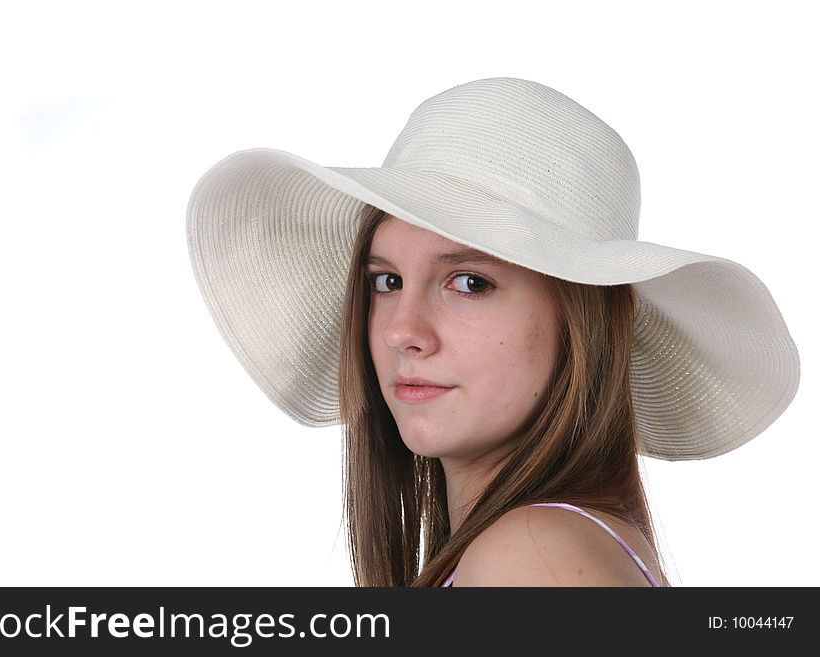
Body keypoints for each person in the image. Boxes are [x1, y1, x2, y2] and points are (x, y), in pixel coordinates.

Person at [185, 78, 800, 587]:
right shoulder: (554, 546)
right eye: (386, 282)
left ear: (585, 322)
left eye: (470, 283)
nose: (403, 331)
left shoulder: (531, 556)